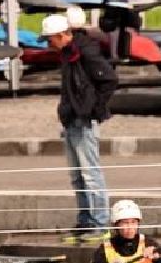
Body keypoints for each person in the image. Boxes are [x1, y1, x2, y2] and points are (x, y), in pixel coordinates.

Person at [44, 12, 118, 244]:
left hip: (83, 120)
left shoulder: (84, 52)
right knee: (78, 176)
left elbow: (109, 79)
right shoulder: (69, 53)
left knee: (91, 174)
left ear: (61, 35)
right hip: (72, 120)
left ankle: (100, 224)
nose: (48, 44)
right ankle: (85, 221)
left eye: (49, 39)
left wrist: (93, 108)